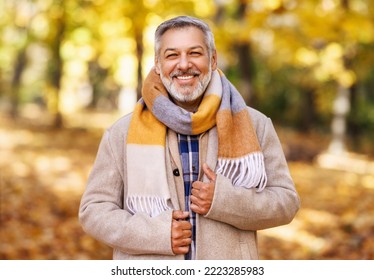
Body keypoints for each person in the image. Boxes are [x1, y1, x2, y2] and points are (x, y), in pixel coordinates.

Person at [79, 15, 300, 260]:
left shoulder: (256, 125)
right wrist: (157, 233)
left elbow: (286, 203)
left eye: (195, 53)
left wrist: (224, 200)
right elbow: (94, 211)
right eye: (172, 55)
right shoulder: (122, 133)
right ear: (157, 64)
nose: (184, 64)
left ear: (213, 59)